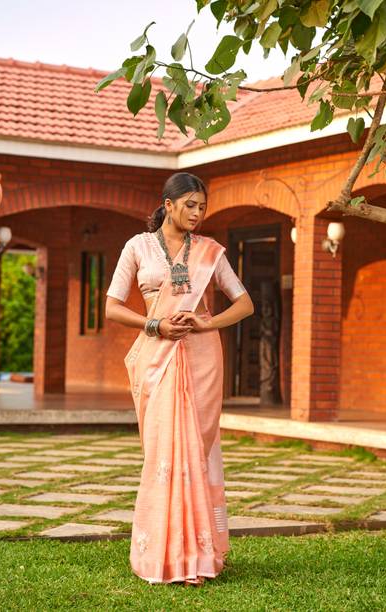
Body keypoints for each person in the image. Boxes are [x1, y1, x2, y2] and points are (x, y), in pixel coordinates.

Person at [105, 172, 254, 586]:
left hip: (202, 357)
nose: (197, 213)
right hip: (157, 355)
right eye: (190, 205)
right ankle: (164, 555)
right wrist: (155, 325)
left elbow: (244, 304)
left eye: (202, 207)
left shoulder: (209, 251)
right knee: (163, 454)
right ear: (167, 205)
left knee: (195, 454)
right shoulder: (137, 246)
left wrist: (208, 323)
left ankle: (198, 556)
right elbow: (112, 307)